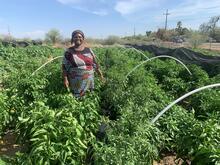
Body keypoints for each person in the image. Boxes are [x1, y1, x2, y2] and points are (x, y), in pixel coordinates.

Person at [62, 30, 104, 97]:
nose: (78, 38)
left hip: (89, 80)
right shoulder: (69, 51)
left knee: (89, 97)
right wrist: (65, 79)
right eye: (75, 37)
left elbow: (95, 64)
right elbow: (64, 66)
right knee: (77, 98)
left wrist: (101, 75)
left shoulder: (89, 50)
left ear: (83, 38)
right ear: (72, 39)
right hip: (76, 81)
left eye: (80, 37)